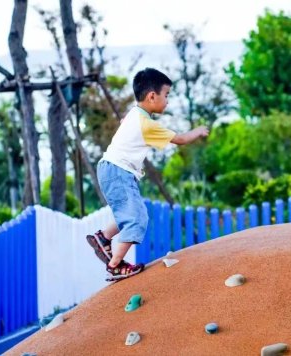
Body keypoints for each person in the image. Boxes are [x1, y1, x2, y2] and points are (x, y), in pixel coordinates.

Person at [86, 68, 209, 281]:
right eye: (166, 95)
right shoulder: (146, 124)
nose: (167, 101)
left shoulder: (135, 114)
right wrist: (197, 131)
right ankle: (114, 265)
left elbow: (125, 123)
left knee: (128, 213)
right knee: (137, 218)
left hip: (112, 169)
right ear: (152, 96)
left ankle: (103, 238)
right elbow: (179, 139)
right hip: (118, 171)